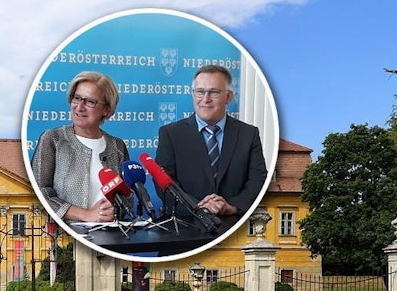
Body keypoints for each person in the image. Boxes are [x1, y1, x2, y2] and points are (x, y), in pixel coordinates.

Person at [154, 64, 267, 217]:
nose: (205, 99)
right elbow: (164, 182)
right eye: (200, 92)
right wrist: (198, 208)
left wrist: (232, 207)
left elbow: (257, 179)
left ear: (228, 97)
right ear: (193, 94)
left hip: (234, 224)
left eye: (213, 92)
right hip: (186, 225)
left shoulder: (248, 134)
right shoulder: (171, 134)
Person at [31, 71, 130, 222]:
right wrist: (86, 214)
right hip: (66, 237)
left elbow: (128, 197)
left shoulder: (118, 146)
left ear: (106, 110)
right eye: (77, 98)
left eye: (90, 101)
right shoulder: (53, 139)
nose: (79, 107)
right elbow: (39, 193)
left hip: (112, 237)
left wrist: (115, 210)